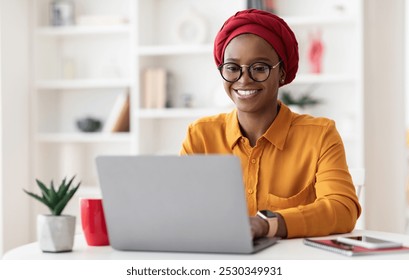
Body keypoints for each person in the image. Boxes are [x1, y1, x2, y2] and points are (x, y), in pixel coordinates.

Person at [180, 9, 361, 239]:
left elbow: (342, 209)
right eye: (233, 68)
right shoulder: (200, 136)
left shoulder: (321, 136)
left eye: (259, 68)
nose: (244, 79)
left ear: (282, 73)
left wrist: (269, 225)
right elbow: (181, 209)